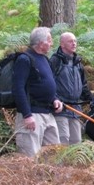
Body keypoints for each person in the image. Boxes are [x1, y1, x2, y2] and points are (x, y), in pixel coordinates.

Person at [12, 27, 63, 157]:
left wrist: (55, 99)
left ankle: (50, 178)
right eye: (49, 41)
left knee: (54, 156)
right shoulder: (24, 59)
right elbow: (18, 88)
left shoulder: (45, 60)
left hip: (48, 114)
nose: (51, 44)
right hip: (32, 115)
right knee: (30, 157)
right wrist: (27, 115)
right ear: (41, 43)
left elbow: (47, 84)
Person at [50, 32, 93, 144]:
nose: (74, 43)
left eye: (75, 41)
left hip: (75, 109)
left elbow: (83, 84)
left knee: (76, 142)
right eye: (70, 41)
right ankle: (59, 162)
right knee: (63, 140)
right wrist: (54, 99)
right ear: (62, 44)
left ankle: (72, 163)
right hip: (61, 109)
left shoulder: (77, 62)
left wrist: (92, 99)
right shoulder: (55, 61)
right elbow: (48, 83)